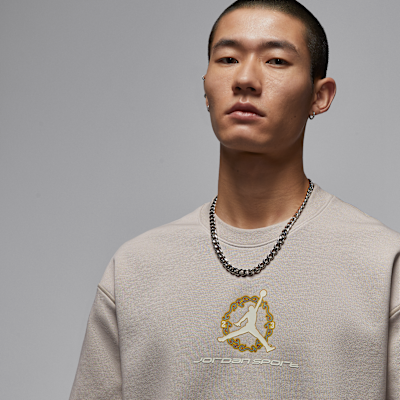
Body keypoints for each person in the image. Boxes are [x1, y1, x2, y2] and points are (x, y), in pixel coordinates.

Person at [70, 0, 400, 399]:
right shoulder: (135, 268)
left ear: (320, 95)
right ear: (206, 88)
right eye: (228, 59)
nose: (245, 79)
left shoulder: (382, 264)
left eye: (276, 61)